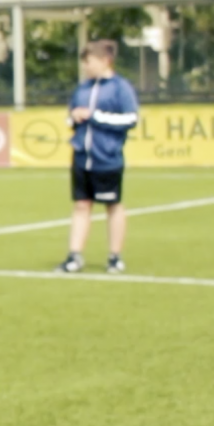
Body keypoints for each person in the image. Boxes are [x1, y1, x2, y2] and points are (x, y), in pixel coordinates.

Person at [57, 39, 140, 274]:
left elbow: (130, 119)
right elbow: (71, 117)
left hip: (108, 158)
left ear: (105, 61)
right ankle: (74, 256)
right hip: (82, 157)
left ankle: (115, 256)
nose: (85, 66)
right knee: (81, 205)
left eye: (89, 61)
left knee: (112, 205)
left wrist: (94, 116)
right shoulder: (81, 89)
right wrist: (74, 118)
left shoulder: (120, 88)